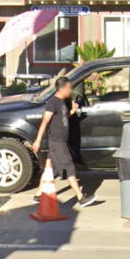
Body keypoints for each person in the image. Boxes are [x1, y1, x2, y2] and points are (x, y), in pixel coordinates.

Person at [28, 76, 97, 208]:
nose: (70, 90)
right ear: (62, 88)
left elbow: (63, 118)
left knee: (50, 171)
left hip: (60, 141)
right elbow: (44, 122)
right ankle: (81, 198)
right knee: (69, 167)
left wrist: (73, 110)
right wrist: (37, 141)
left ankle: (38, 195)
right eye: (69, 88)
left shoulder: (63, 102)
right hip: (57, 141)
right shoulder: (52, 102)